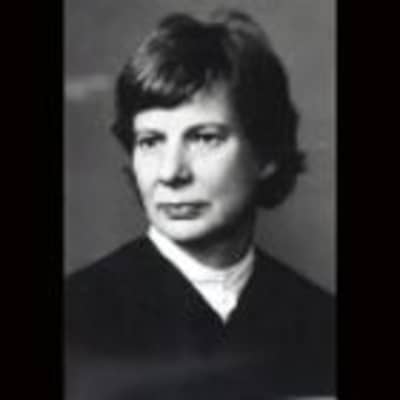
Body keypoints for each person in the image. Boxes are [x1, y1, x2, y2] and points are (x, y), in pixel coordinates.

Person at [65, 8, 335, 400]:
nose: (170, 172)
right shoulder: (75, 315)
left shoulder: (322, 322)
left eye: (204, 138)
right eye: (150, 142)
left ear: (266, 154)